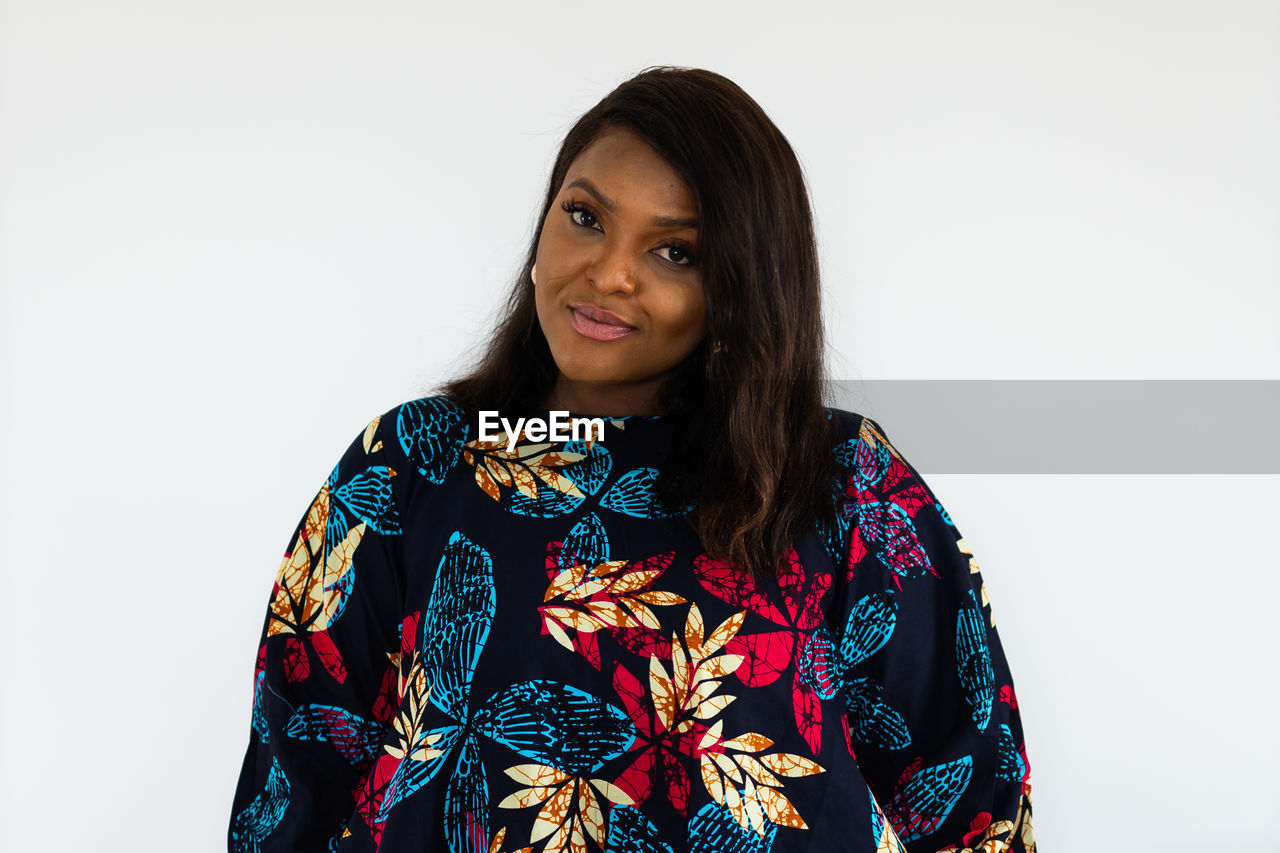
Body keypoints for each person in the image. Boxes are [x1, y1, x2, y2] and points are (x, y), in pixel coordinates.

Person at [228, 66, 1036, 853]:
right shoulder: (413, 463)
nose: (609, 272)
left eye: (675, 252)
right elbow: (294, 775)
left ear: (740, 290)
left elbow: (970, 798)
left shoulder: (836, 477)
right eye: (585, 216)